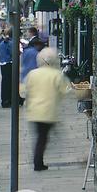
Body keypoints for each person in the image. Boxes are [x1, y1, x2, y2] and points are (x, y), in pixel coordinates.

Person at [22, 44, 68, 172]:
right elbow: (65, 90)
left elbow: (24, 90)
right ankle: (38, 163)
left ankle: (39, 161)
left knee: (40, 136)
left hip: (34, 111)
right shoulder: (56, 74)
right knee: (42, 137)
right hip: (49, 111)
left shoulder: (33, 74)